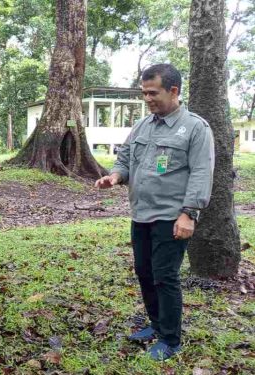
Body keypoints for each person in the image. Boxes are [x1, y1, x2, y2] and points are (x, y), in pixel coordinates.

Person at [95, 63, 214, 361]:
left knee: (165, 276)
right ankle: (156, 325)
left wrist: (189, 213)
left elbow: (201, 173)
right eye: (143, 93)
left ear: (173, 91)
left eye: (153, 93)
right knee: (144, 272)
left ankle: (171, 339)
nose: (147, 99)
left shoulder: (195, 128)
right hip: (141, 214)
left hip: (171, 217)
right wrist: (116, 176)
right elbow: (124, 159)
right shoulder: (143, 125)